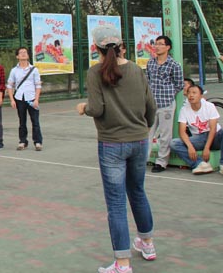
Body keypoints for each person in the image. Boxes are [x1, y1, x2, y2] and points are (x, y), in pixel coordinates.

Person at [76, 24, 157, 273]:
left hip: (112, 143)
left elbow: (96, 108)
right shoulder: (136, 69)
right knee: (137, 191)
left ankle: (122, 264)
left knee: (116, 203)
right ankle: (147, 244)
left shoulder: (95, 72)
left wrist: (83, 108)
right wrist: (144, 129)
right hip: (139, 140)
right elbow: (151, 107)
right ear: (122, 45)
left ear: (95, 48)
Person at [169, 84, 223, 176]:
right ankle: (199, 164)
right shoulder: (184, 109)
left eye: (194, 93)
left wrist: (207, 148)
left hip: (214, 137)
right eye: (189, 93)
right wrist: (190, 147)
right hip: (199, 139)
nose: (191, 95)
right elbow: (182, 132)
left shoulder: (209, 106)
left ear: (201, 96)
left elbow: (213, 129)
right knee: (174, 143)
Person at [146, 35, 184, 173]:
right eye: (156, 44)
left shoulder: (174, 65)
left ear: (168, 47)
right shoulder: (150, 63)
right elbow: (147, 81)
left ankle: (161, 162)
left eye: (160, 44)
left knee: (165, 135)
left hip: (166, 104)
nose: (157, 46)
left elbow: (179, 84)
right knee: (147, 133)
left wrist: (169, 94)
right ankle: (142, 159)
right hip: (151, 105)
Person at [6, 46, 43, 151]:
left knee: (35, 121)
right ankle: (22, 141)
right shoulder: (14, 71)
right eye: (21, 52)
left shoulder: (34, 70)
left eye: (25, 52)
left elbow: (38, 85)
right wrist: (12, 100)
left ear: (28, 55)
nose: (23, 54)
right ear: (17, 56)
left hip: (32, 98)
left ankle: (38, 142)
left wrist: (36, 99)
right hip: (19, 98)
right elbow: (9, 85)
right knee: (22, 121)